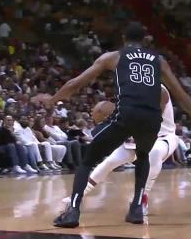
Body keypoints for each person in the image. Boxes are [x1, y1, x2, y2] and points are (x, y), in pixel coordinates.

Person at [32, 22, 191, 227]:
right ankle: (136, 208)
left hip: (126, 114)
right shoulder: (159, 61)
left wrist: (52, 99)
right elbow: (181, 94)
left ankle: (73, 211)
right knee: (143, 156)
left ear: (123, 39)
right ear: (145, 40)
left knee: (87, 161)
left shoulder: (114, 57)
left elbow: (77, 83)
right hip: (152, 119)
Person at [63, 85, 179, 215]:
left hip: (163, 137)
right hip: (136, 137)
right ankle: (78, 196)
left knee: (154, 152)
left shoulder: (159, 90)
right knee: (109, 162)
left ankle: (142, 198)